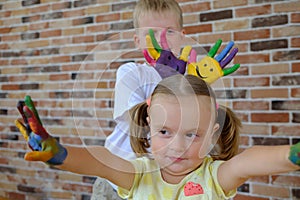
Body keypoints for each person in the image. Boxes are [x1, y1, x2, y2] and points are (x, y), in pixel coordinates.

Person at [15, 74, 300, 199]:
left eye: (193, 134)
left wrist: (292, 155)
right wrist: (61, 154)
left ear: (213, 136)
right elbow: (102, 162)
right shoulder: (139, 174)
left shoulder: (215, 178)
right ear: (148, 127)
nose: (177, 146)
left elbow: (247, 162)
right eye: (165, 132)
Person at [97, 0, 190, 198]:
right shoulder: (131, 73)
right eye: (152, 33)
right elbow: (138, 119)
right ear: (138, 40)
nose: (161, 40)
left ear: (183, 37)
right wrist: (166, 79)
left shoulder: (190, 81)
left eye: (170, 32)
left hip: (156, 183)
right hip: (119, 176)